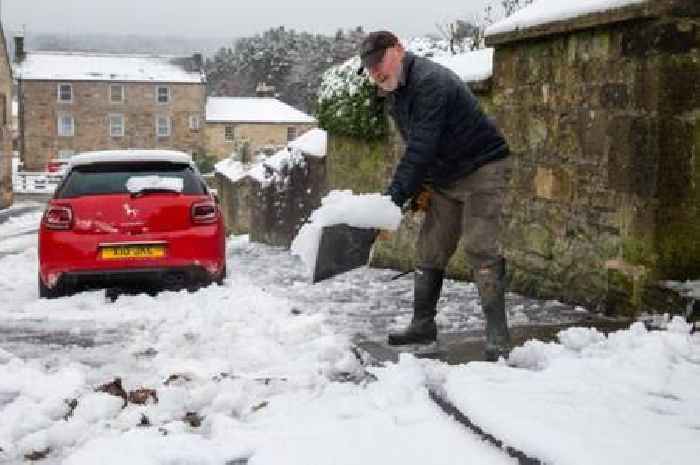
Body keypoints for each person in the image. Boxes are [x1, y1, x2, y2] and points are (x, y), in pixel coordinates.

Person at [358, 31, 512, 361]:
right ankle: (422, 325)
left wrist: (390, 203)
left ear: (398, 49)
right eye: (370, 69)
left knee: (479, 245)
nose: (376, 73)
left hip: (482, 168)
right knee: (430, 248)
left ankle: (499, 335)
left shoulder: (430, 82)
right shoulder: (397, 92)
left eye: (379, 63)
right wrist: (419, 188)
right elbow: (421, 146)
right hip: (446, 175)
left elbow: (420, 149)